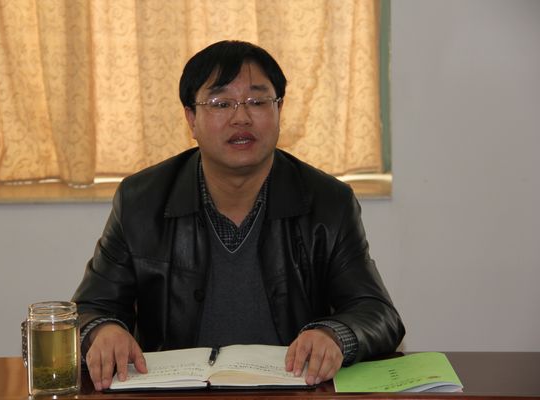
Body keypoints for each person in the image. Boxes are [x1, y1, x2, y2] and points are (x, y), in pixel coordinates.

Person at [72, 40, 405, 391]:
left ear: (279, 110)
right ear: (191, 118)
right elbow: (88, 309)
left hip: (293, 391)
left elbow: (378, 313)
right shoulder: (142, 201)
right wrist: (102, 331)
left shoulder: (328, 202)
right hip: (175, 394)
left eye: (258, 102)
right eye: (221, 104)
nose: (241, 117)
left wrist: (334, 335)